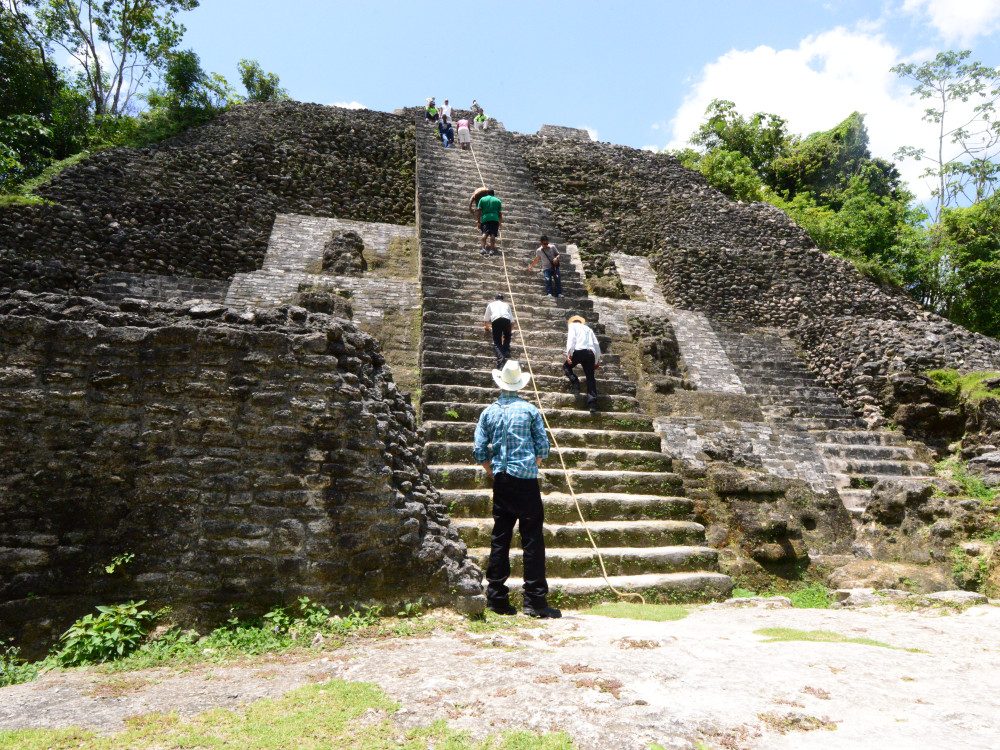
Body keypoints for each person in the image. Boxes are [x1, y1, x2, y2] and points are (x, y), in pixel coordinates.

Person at [473, 359, 561, 619]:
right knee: (532, 538)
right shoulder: (530, 410)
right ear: (519, 383)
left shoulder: (489, 412)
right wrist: (533, 464)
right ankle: (534, 600)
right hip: (526, 480)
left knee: (500, 537)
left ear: (501, 382)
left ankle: (497, 598)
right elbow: (542, 446)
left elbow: (479, 450)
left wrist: (493, 471)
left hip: (502, 479)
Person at [564, 315, 601, 412]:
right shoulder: (588, 329)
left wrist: (569, 354)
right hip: (590, 353)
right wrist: (597, 360)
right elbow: (596, 344)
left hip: (579, 351)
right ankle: (592, 404)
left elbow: (571, 339)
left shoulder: (572, 326)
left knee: (566, 366)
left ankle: (575, 382)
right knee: (590, 378)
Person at [483, 293, 513, 369]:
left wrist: (487, 328)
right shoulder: (506, 305)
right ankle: (506, 350)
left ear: (494, 299)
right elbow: (512, 322)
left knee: (497, 343)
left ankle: (501, 364)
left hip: (496, 320)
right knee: (507, 336)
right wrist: (509, 332)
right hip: (506, 320)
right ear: (502, 300)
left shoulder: (491, 304)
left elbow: (486, 319)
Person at [477, 188, 502, 255]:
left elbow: (479, 210)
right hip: (495, 219)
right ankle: (492, 250)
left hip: (485, 218)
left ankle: (483, 249)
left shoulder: (482, 199)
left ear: (487, 194)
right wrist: (500, 224)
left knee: (484, 233)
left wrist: (478, 221)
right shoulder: (498, 201)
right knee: (492, 234)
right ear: (493, 194)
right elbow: (500, 214)